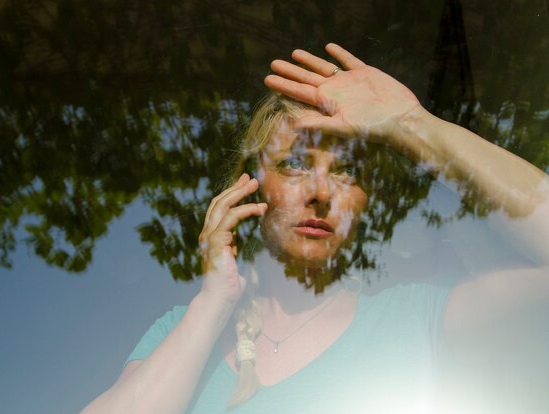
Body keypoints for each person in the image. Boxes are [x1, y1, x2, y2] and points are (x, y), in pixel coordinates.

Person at [81, 44, 549, 414]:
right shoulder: (185, 334)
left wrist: (413, 125)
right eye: (295, 164)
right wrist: (214, 300)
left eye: (347, 171)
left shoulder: (418, 318)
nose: (322, 192)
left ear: (365, 204)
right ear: (251, 188)